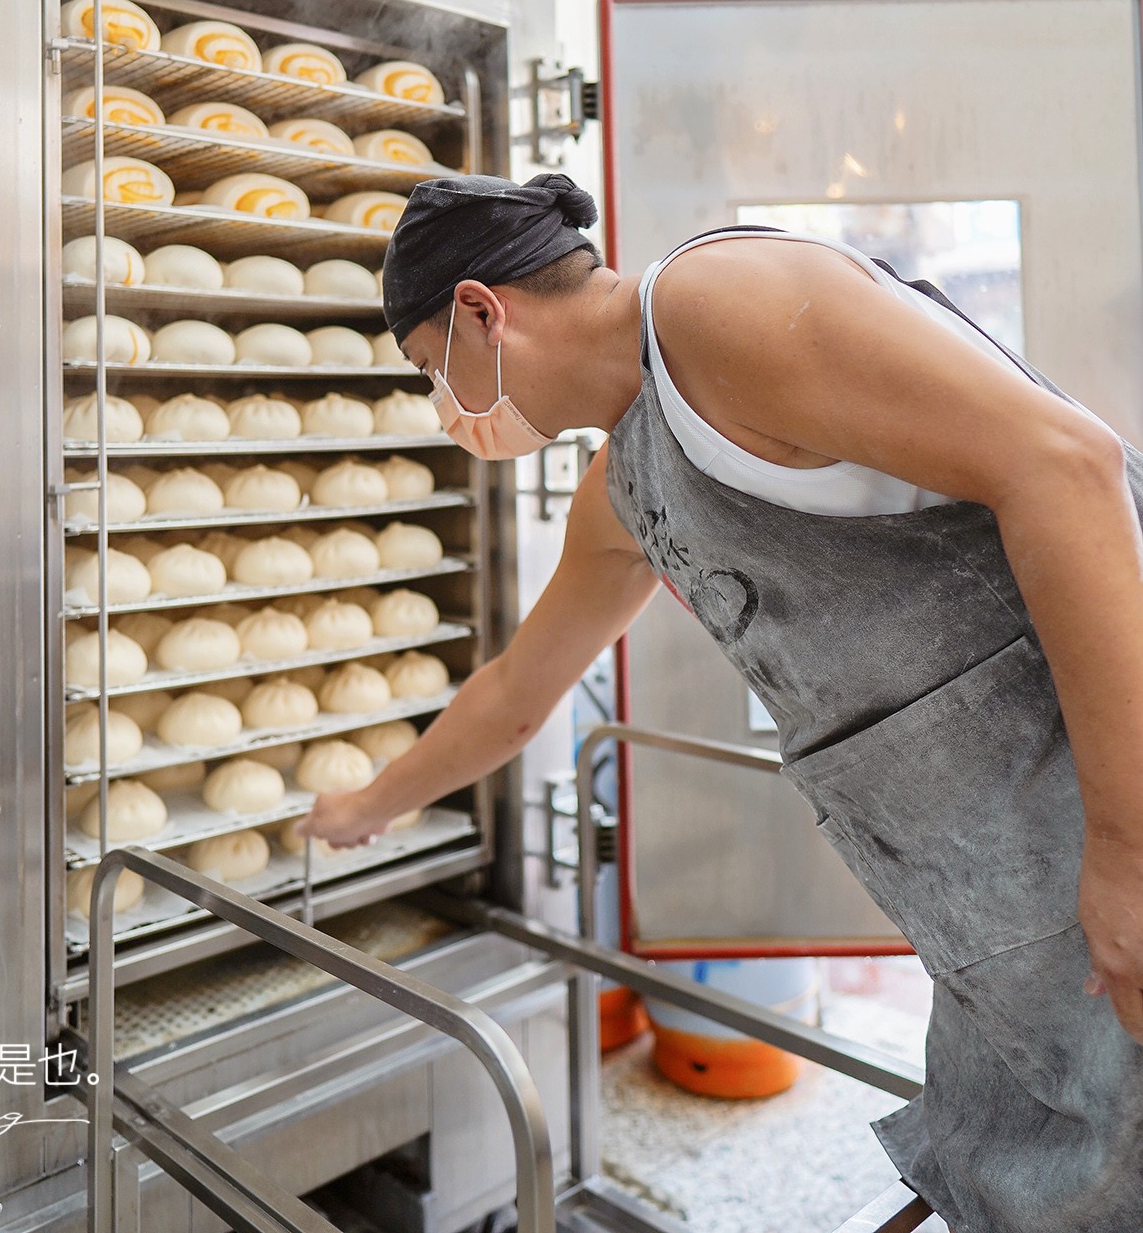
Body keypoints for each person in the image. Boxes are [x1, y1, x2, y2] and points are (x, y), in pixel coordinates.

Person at [304, 171, 1143, 1232]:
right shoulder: (628, 477)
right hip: (997, 901)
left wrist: (1127, 848)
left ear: (481, 311)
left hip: (1105, 816)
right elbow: (520, 690)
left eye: (432, 370)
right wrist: (371, 805)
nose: (446, 406)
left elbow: (1070, 466)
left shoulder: (718, 307)